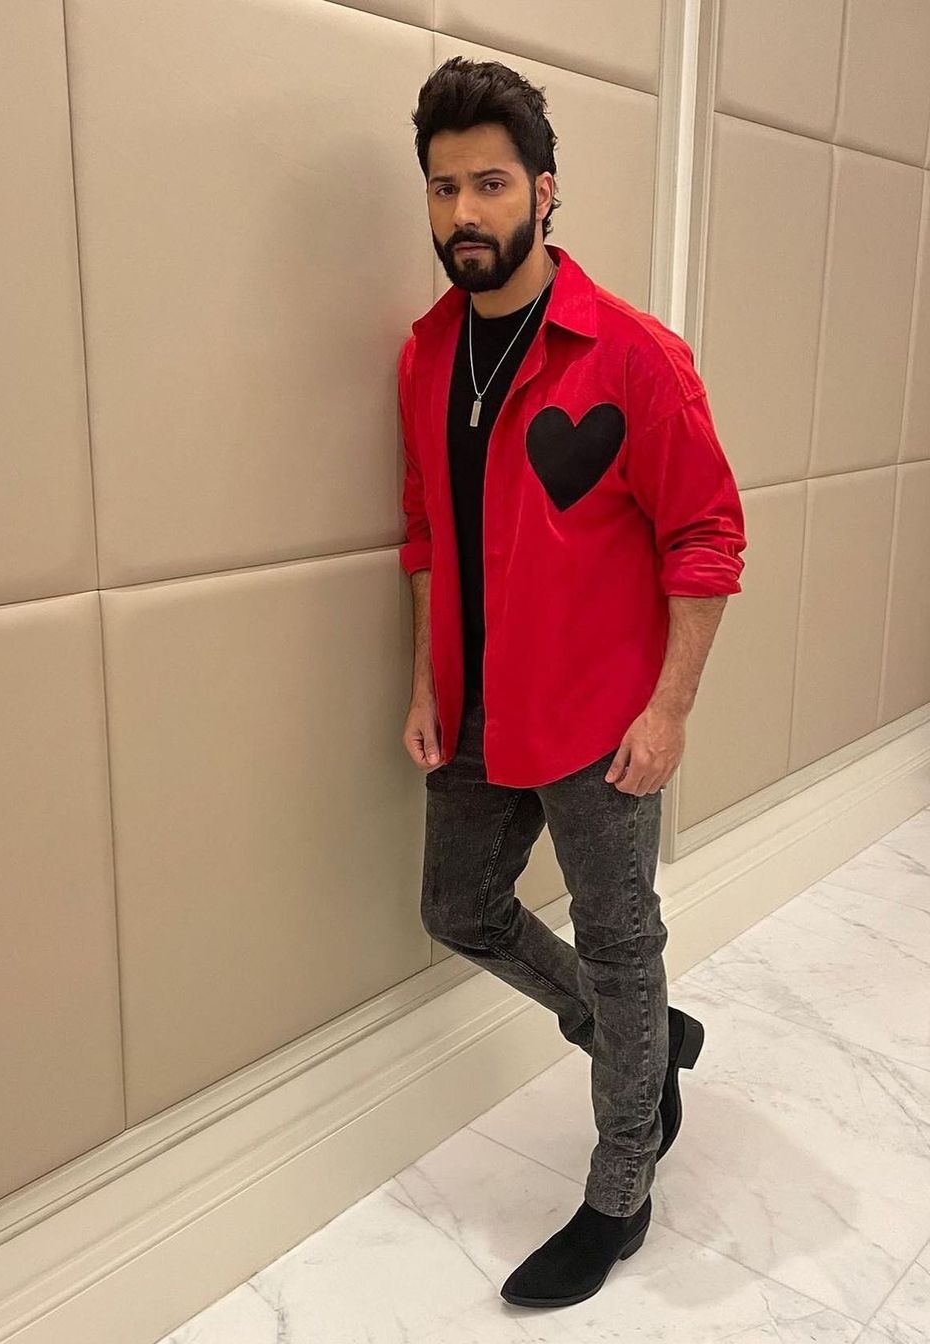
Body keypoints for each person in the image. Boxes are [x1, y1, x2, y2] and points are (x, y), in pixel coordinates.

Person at [396, 58, 747, 1310]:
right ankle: (635, 1045)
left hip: (603, 718)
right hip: (476, 708)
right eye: (444, 187)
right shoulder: (426, 355)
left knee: (621, 940)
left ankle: (620, 1189)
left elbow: (706, 536)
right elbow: (428, 530)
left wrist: (671, 707)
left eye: (491, 183)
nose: (464, 213)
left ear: (545, 191)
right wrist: (427, 682)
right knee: (458, 909)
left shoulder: (635, 356)